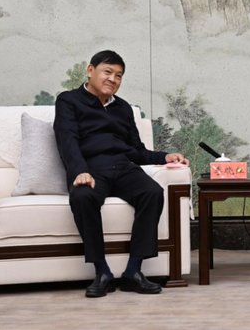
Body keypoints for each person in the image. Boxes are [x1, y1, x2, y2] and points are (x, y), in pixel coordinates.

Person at [54, 50, 189, 298]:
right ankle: (102, 272)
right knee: (83, 197)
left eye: (118, 75)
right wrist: (80, 171)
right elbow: (67, 140)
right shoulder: (68, 101)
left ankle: (133, 272)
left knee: (152, 192)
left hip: (124, 167)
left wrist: (165, 157)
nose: (113, 79)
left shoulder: (124, 108)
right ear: (90, 70)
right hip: (91, 169)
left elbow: (137, 151)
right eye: (107, 72)